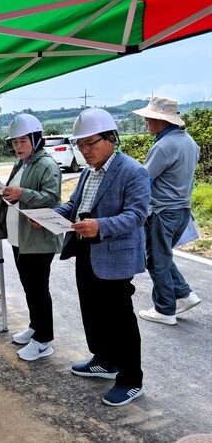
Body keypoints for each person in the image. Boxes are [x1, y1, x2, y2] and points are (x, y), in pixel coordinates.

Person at [53, 108, 149, 406]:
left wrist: (101, 226)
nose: (84, 150)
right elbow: (73, 204)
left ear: (112, 138)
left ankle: (132, 379)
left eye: (91, 143)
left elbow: (137, 214)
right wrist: (49, 216)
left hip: (114, 255)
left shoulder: (133, 171)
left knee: (120, 318)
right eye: (80, 145)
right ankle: (105, 360)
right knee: (92, 310)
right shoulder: (88, 171)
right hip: (86, 250)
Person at [0, 113, 63, 362]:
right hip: (20, 239)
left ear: (36, 139)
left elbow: (51, 198)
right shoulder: (23, 164)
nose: (18, 146)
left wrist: (23, 192)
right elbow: (10, 194)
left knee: (38, 289)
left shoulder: (46, 165)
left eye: (23, 141)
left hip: (38, 240)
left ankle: (43, 340)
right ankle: (35, 327)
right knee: (30, 287)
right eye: (15, 142)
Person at [132, 97, 201, 325]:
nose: (146, 123)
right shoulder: (189, 142)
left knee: (156, 261)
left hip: (163, 211)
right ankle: (184, 294)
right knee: (163, 255)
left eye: (149, 119)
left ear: (161, 121)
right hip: (181, 210)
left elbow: (144, 179)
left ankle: (164, 310)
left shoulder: (163, 146)